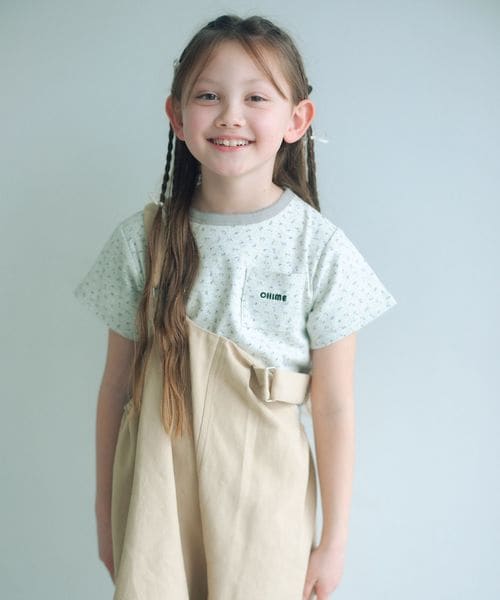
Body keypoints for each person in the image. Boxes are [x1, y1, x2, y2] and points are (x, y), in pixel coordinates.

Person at [73, 14, 397, 600]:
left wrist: (334, 540)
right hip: (156, 497)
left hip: (265, 503)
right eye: (207, 96)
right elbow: (115, 388)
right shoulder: (140, 241)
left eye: (256, 97)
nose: (230, 115)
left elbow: (334, 406)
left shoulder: (320, 250)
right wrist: (104, 512)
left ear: (297, 119)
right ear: (176, 115)